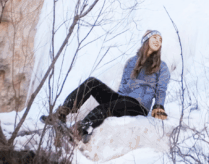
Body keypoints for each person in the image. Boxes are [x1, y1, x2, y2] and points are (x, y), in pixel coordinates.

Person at [42, 30, 170, 140]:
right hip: (123, 100)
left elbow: (161, 89)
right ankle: (61, 114)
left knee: (104, 108)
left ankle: (80, 130)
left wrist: (159, 106)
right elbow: (123, 86)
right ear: (146, 40)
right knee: (91, 82)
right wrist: (117, 99)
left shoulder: (162, 66)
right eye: (155, 37)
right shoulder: (131, 62)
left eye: (160, 39)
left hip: (139, 105)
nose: (158, 41)